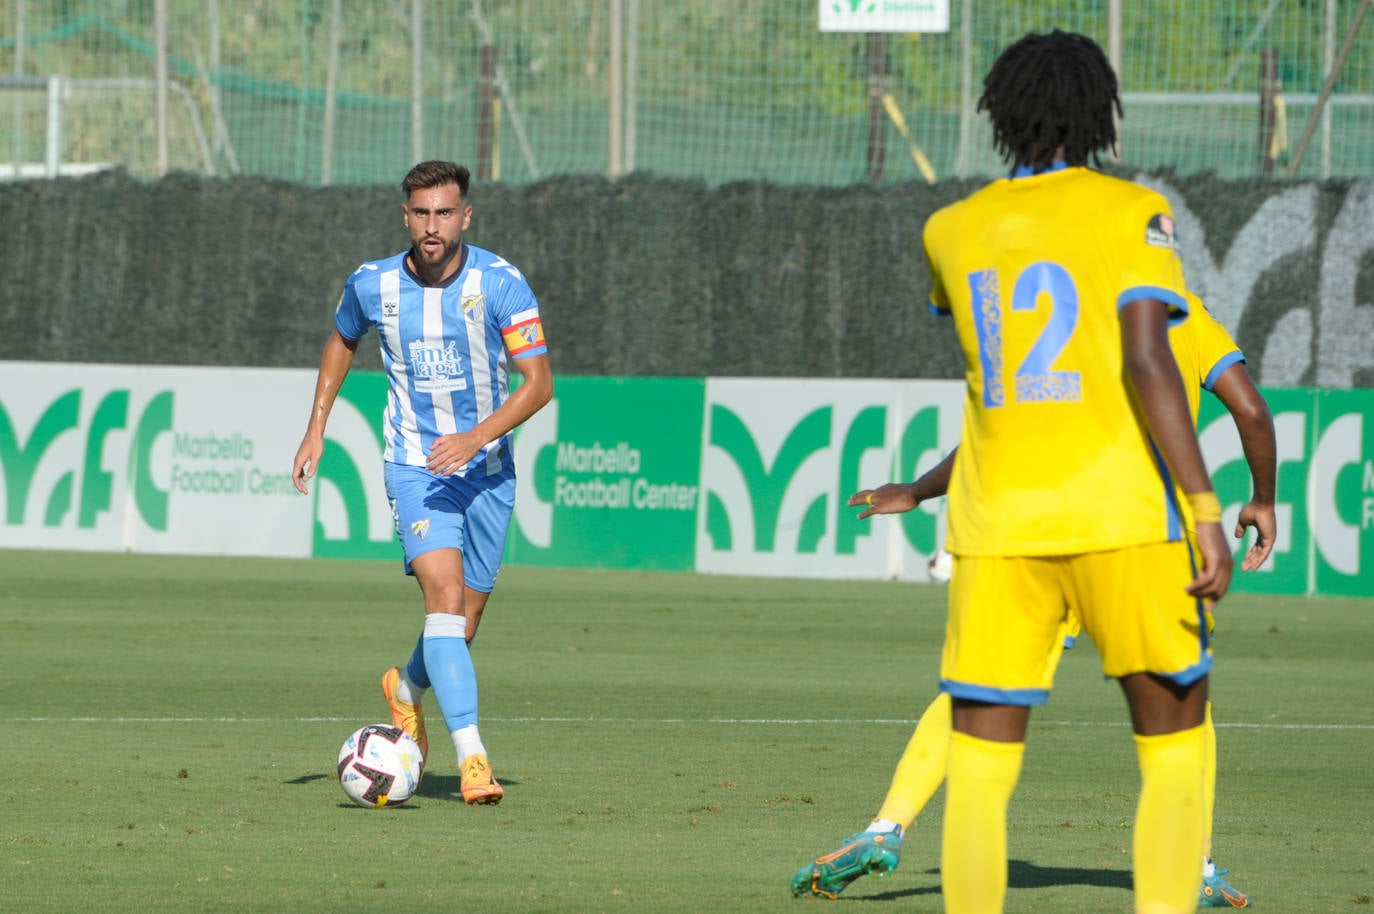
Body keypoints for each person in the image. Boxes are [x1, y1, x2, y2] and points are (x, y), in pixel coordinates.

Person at [849, 30, 1229, 914]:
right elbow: (1146, 359)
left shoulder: (950, 232)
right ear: (1098, 111)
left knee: (980, 769)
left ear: (998, 113)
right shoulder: (1134, 212)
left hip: (998, 533)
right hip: (1125, 520)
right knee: (1174, 744)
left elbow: (1002, 396)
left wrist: (918, 488)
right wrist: (1202, 506)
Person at [791, 295, 1276, 909]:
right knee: (1183, 699)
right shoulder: (1182, 313)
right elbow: (1252, 412)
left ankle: (885, 827)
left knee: (980, 687)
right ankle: (1194, 865)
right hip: (1151, 538)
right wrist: (1261, 498)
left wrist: (917, 490)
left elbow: (1000, 436)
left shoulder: (1062, 323)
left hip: (1052, 528)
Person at [292, 160, 553, 805]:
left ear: (465, 216)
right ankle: (474, 759)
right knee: (443, 597)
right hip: (414, 465)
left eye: (444, 213)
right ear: (404, 216)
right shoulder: (371, 282)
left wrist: (474, 438)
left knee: (462, 622)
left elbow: (539, 385)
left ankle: (405, 691)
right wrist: (316, 426)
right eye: (420, 213)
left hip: (486, 471)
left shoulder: (502, 284)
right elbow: (340, 340)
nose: (432, 226)